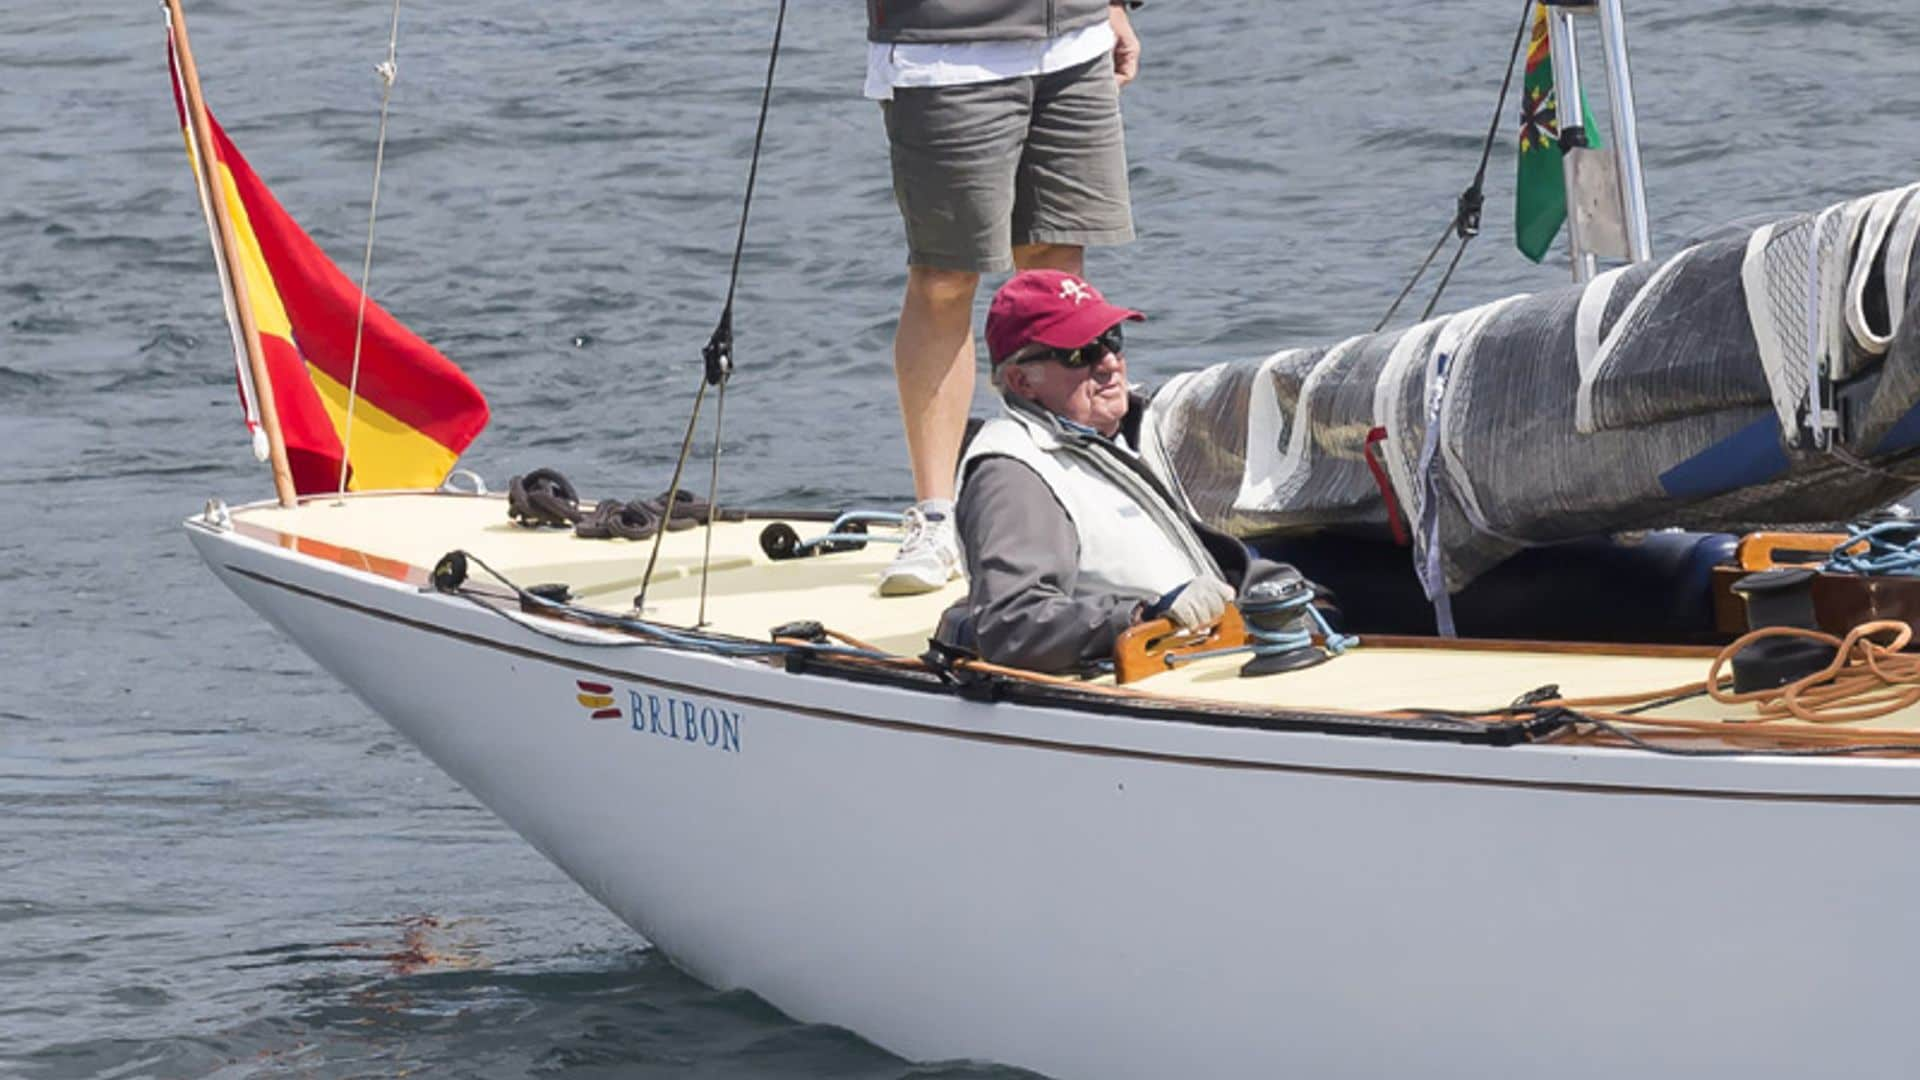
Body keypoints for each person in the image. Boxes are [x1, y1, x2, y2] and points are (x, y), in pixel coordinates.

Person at [866, 0, 1144, 595]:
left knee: (1056, 270)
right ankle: (936, 517)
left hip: (1076, 39)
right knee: (945, 279)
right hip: (946, 49)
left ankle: (1070, 498)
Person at [940, 270, 1311, 674]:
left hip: (1201, 650)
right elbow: (1012, 624)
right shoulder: (1013, 474)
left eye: (1112, 340)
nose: (1109, 363)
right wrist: (1142, 614)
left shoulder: (1107, 440)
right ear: (1020, 381)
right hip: (1158, 670)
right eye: (1080, 353)